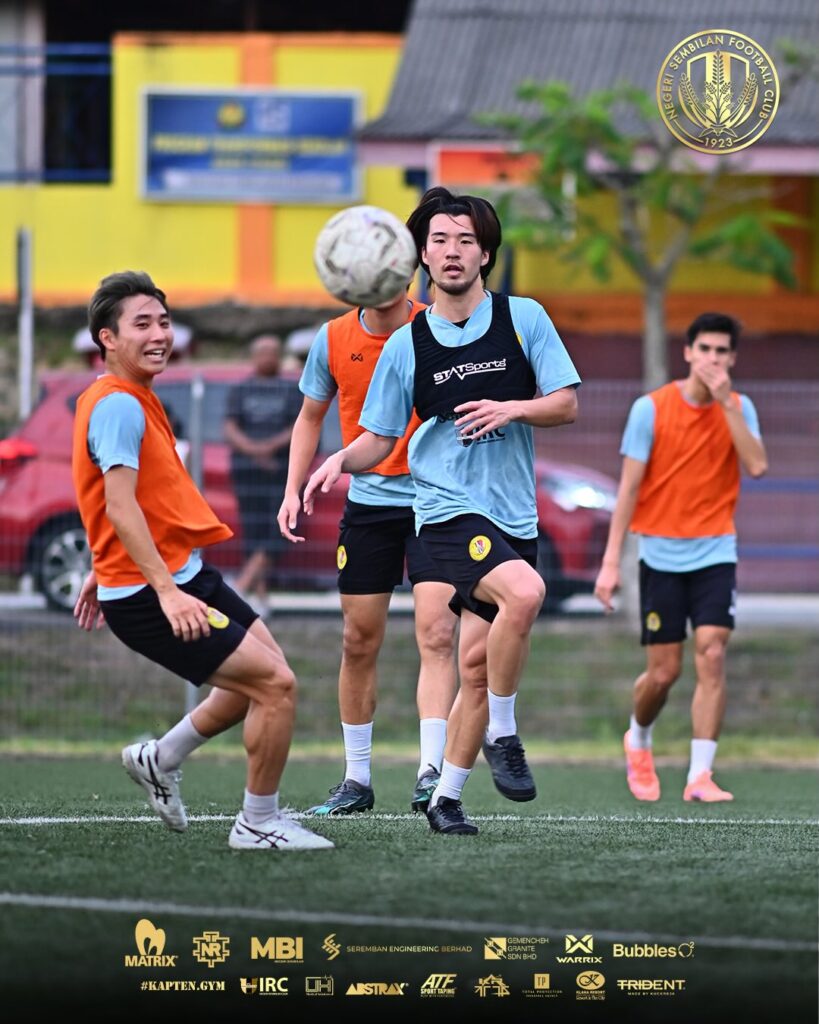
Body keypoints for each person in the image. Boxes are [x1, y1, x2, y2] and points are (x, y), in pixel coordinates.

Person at [303, 187, 580, 835]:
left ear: (485, 253)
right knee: (528, 592)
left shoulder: (523, 318)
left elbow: (565, 403)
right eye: (437, 240)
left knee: (478, 667)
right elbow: (376, 437)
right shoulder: (406, 344)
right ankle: (505, 735)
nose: (450, 252)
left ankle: (445, 798)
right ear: (418, 256)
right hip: (446, 512)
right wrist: (334, 462)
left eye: (463, 240)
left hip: (512, 513)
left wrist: (512, 408)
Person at [72, 270, 332, 851]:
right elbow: (116, 503)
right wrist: (162, 590)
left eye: (163, 321)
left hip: (183, 574)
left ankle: (160, 758)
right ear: (106, 339)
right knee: (276, 686)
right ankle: (257, 823)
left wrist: (102, 563)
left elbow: (125, 502)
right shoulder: (117, 404)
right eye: (141, 324)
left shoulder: (136, 394)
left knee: (261, 678)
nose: (159, 333)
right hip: (151, 594)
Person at [278, 283, 459, 816]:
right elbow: (310, 415)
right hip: (369, 505)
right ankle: (357, 780)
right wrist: (292, 488)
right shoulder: (333, 338)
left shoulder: (441, 326)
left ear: (406, 271)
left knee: (438, 634)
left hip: (436, 501)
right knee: (358, 639)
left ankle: (432, 773)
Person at [594, 312, 768, 803]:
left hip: (716, 549)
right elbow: (627, 489)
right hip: (660, 554)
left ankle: (700, 775)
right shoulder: (651, 409)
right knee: (664, 673)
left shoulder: (740, 406)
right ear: (688, 353)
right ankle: (639, 738)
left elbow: (756, 465)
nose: (713, 359)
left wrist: (727, 404)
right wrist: (610, 563)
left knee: (712, 651)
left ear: (732, 358)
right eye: (705, 349)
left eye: (722, 351)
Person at [223, 335, 302, 611]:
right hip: (248, 470)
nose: (268, 357)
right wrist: (256, 451)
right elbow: (231, 427)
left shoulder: (292, 389)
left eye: (273, 352)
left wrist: (269, 448)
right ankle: (258, 597)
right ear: (253, 356)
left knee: (281, 528)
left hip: (283, 472)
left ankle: (242, 586)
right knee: (253, 529)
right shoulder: (241, 390)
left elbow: (300, 426)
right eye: (263, 352)